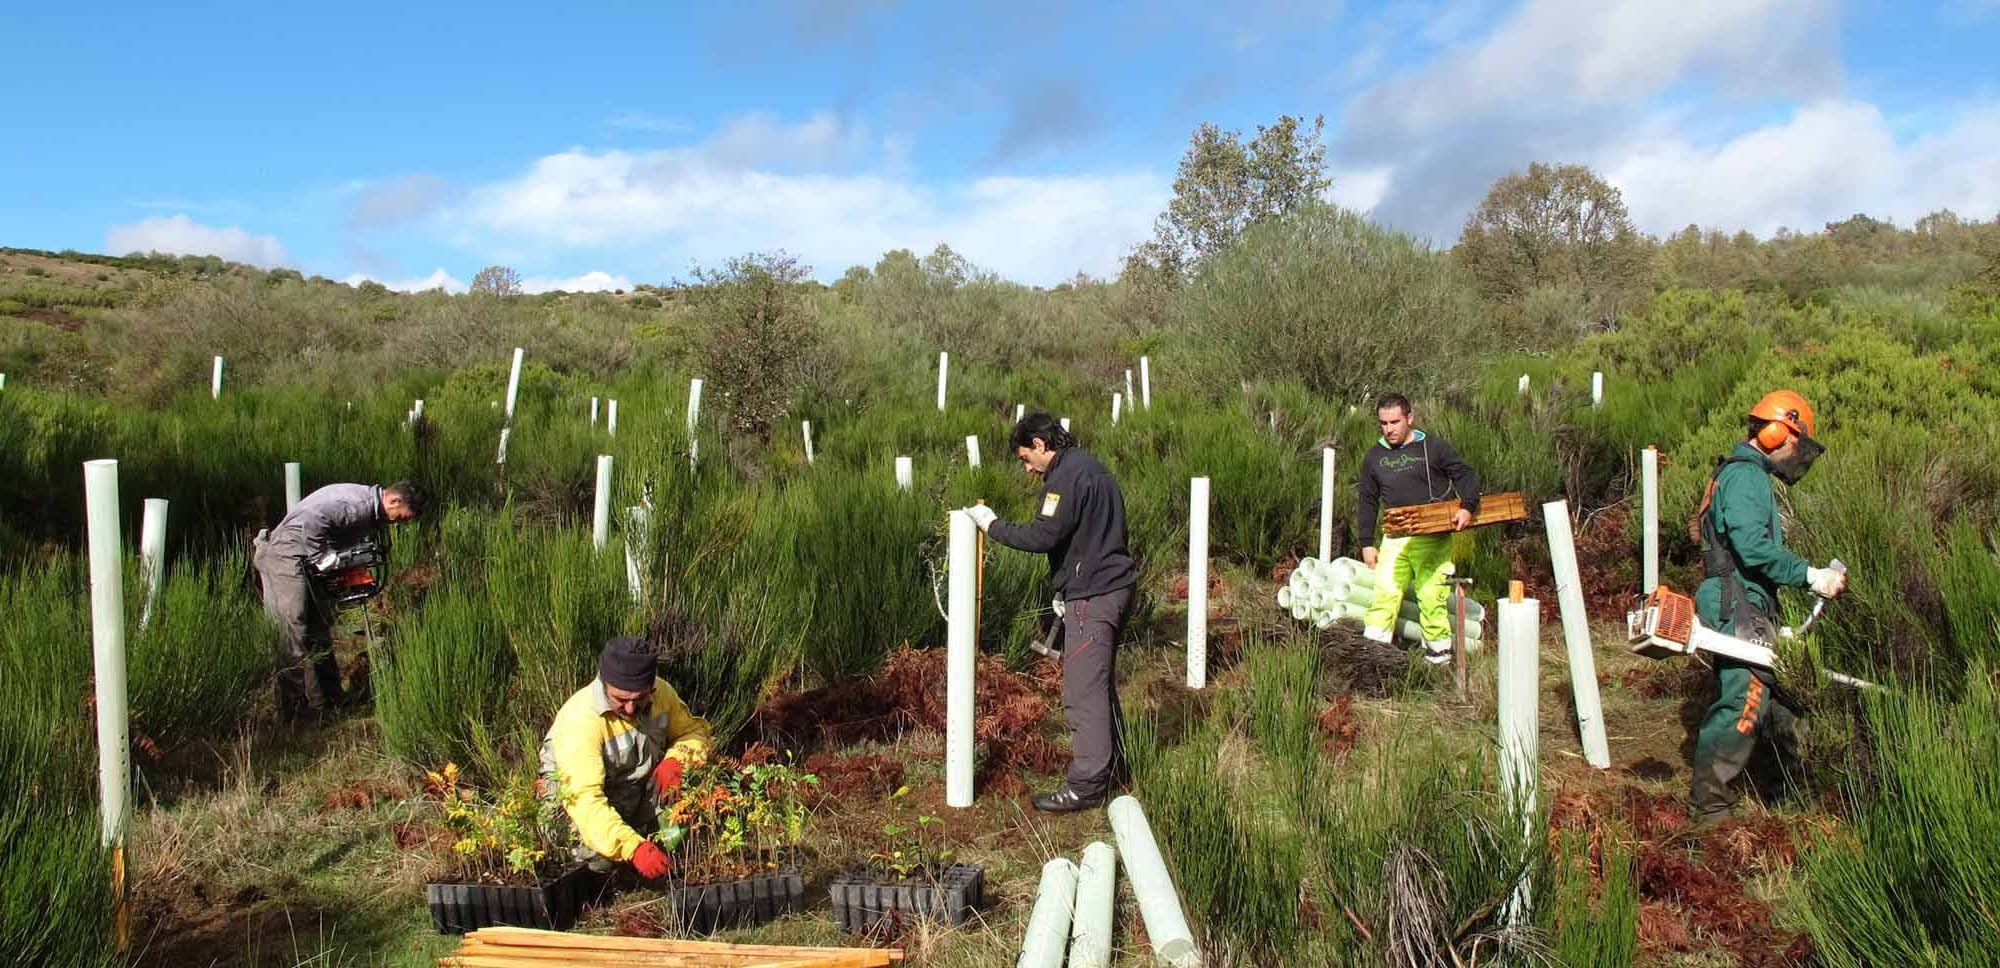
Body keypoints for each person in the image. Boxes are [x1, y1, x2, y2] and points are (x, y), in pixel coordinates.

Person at [1687, 390, 1845, 824]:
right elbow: (1752, 548)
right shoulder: (1747, 477)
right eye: (1797, 443)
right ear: (1777, 433)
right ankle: (1710, 815)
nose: (1797, 455)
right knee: (1745, 699)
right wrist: (1811, 575)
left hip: (1743, 599)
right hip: (1736, 600)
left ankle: (1783, 798)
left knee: (1780, 702)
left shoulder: (1740, 475)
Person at [967, 412, 1138, 813]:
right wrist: (1066, 585)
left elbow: (1044, 535)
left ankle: (1086, 786)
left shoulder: (1064, 478)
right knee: (1099, 686)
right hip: (1112, 587)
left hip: (1095, 597)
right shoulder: (1092, 467)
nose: (1027, 469)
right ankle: (1114, 769)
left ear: (1041, 445)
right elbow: (1091, 535)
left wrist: (992, 526)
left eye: (1026, 458)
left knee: (1082, 694)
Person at [540, 636, 713, 878]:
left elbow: (693, 732)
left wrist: (677, 760)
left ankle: (656, 847)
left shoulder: (662, 693)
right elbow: (585, 801)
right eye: (621, 700)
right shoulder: (580, 720)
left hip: (632, 791)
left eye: (640, 699)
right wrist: (634, 848)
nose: (631, 709)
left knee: (697, 798)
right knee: (599, 860)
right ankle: (623, 858)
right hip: (577, 807)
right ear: (604, 683)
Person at [253, 480, 426, 717]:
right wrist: (323, 557)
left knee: (318, 629)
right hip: (286, 555)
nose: (398, 523)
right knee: (292, 631)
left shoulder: (370, 510)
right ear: (393, 500)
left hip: (304, 560)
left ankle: (328, 700)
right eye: (401, 518)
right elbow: (312, 521)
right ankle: (293, 712)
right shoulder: (356, 505)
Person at [1355, 394, 1481, 666]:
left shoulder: (1433, 448)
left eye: (1395, 422)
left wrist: (1467, 506)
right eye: (1384, 423)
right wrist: (1366, 542)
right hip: (1395, 539)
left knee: (1430, 597)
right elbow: (1366, 499)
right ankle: (1373, 663)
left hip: (1432, 538)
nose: (1389, 429)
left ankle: (1438, 663)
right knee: (1384, 595)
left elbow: (1466, 475)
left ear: (1410, 418)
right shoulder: (1374, 457)